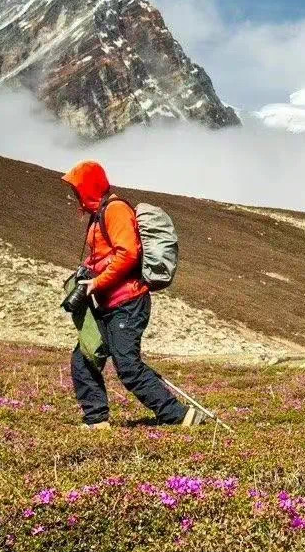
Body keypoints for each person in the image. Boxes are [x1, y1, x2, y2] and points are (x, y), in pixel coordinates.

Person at [62, 160, 205, 431]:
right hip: (107, 304)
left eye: (77, 189)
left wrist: (96, 282)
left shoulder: (115, 211)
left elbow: (127, 253)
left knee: (127, 365)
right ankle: (96, 420)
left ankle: (178, 416)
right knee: (84, 358)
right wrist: (87, 271)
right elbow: (105, 255)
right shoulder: (98, 215)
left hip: (127, 302)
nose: (74, 196)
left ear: (89, 188)